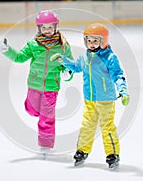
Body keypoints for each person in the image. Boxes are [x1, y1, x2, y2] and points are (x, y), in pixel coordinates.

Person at [50, 23, 130, 169]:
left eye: (95, 40)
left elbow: (118, 75)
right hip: (89, 99)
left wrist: (123, 91)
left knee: (107, 127)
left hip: (106, 99)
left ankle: (112, 154)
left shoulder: (110, 58)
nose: (91, 44)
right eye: (89, 40)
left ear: (103, 41)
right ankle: (82, 150)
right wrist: (63, 60)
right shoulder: (84, 57)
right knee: (87, 126)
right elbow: (75, 67)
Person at [0, 10, 74, 155]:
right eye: (44, 28)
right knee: (32, 110)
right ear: (39, 28)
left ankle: (45, 144)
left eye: (50, 27)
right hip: (34, 85)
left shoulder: (63, 46)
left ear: (56, 27)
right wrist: (7, 50)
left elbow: (70, 65)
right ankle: (33, 110)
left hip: (51, 87)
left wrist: (68, 74)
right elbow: (19, 58)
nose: (47, 30)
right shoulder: (33, 45)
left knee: (47, 116)